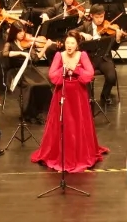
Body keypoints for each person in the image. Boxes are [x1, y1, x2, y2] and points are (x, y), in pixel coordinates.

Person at [30, 30, 108, 171]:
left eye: (72, 43)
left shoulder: (82, 55)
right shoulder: (59, 55)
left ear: (77, 44)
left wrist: (76, 70)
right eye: (67, 43)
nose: (69, 45)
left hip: (78, 94)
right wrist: (64, 70)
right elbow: (52, 75)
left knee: (78, 122)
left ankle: (80, 152)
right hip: (62, 93)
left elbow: (89, 74)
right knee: (63, 123)